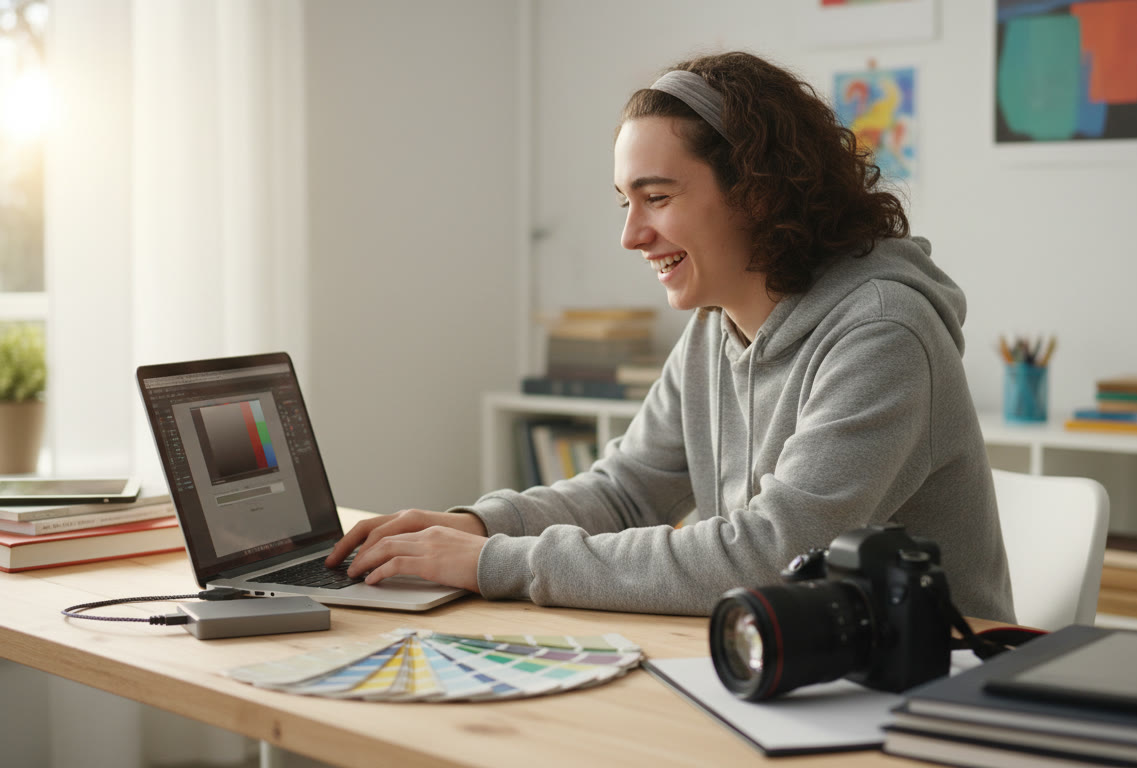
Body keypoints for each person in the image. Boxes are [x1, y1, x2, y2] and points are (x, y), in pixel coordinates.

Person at [328, 51, 1015, 621]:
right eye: (626, 202)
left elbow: (769, 555)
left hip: (927, 681)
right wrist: (477, 526)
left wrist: (492, 562)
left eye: (656, 198)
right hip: (789, 656)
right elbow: (626, 492)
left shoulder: (882, 334)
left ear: (758, 191)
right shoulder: (716, 326)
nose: (631, 235)